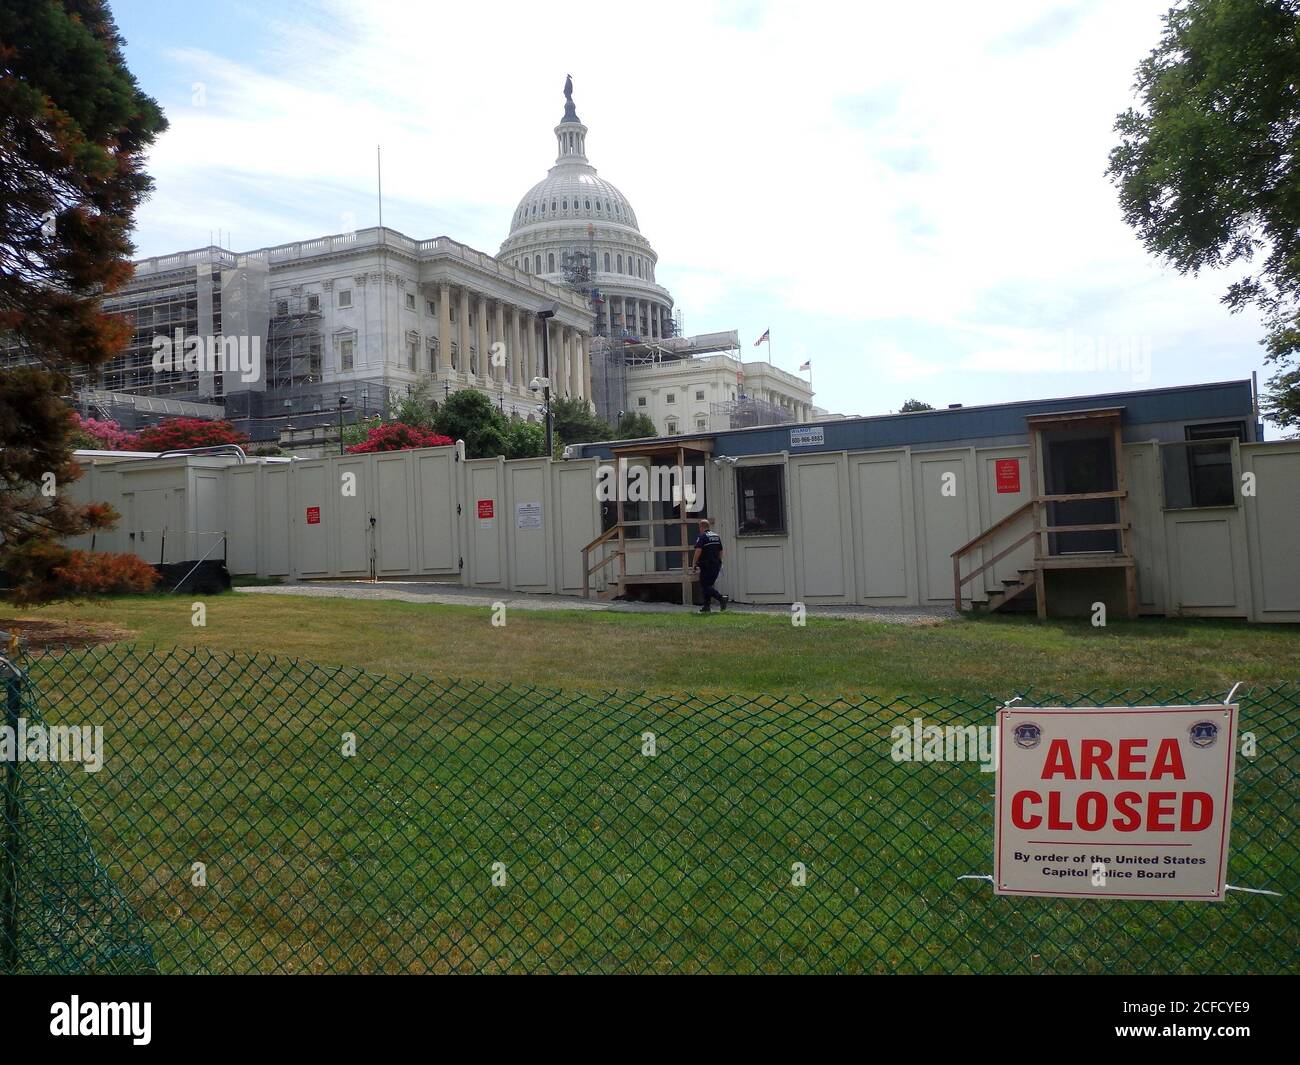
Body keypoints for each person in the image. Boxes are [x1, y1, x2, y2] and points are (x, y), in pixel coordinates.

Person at [691, 518, 727, 613]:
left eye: (699, 527)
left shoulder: (702, 536)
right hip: (716, 565)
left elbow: (698, 550)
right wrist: (719, 562)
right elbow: (721, 551)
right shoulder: (716, 536)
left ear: (701, 527)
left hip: (706, 565)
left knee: (704, 586)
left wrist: (694, 563)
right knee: (708, 585)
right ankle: (706, 607)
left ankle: (721, 598)